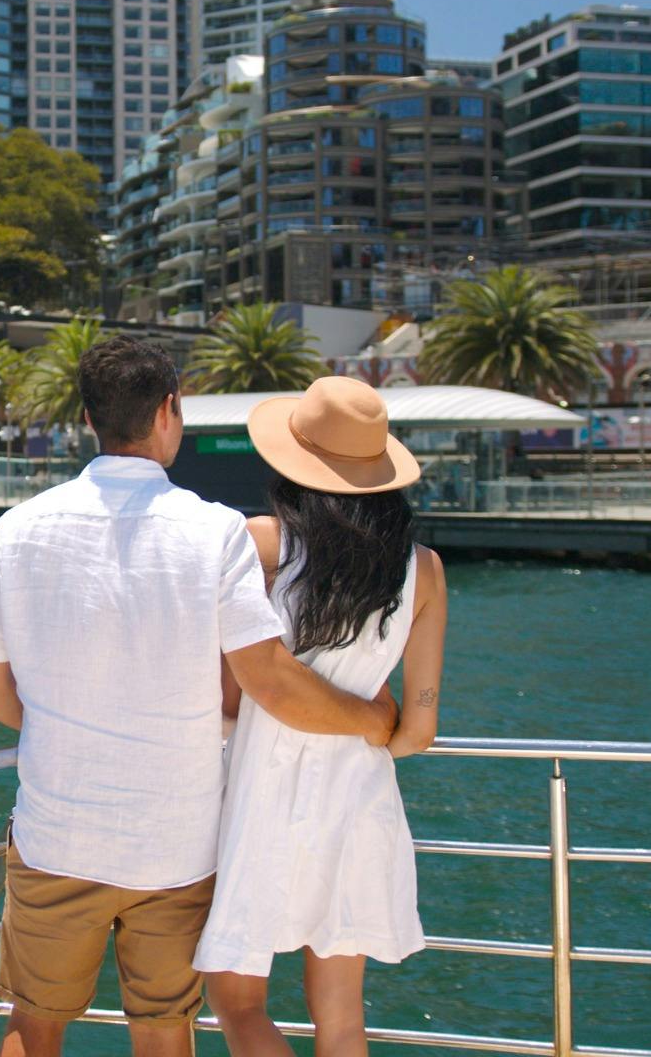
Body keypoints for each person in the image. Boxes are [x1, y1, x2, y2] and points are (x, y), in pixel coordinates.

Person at [0, 338, 398, 1057]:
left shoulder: (19, 527)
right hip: (178, 846)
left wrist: (57, 727)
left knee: (34, 1023)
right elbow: (269, 680)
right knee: (164, 1028)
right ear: (169, 410)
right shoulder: (215, 531)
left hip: (56, 831)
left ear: (89, 416)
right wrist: (377, 718)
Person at [194, 376, 449, 1057]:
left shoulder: (262, 546)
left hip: (259, 791)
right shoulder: (424, 569)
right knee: (340, 1015)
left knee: (239, 1002)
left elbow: (231, 695)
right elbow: (417, 729)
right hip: (359, 797)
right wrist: (367, 727)